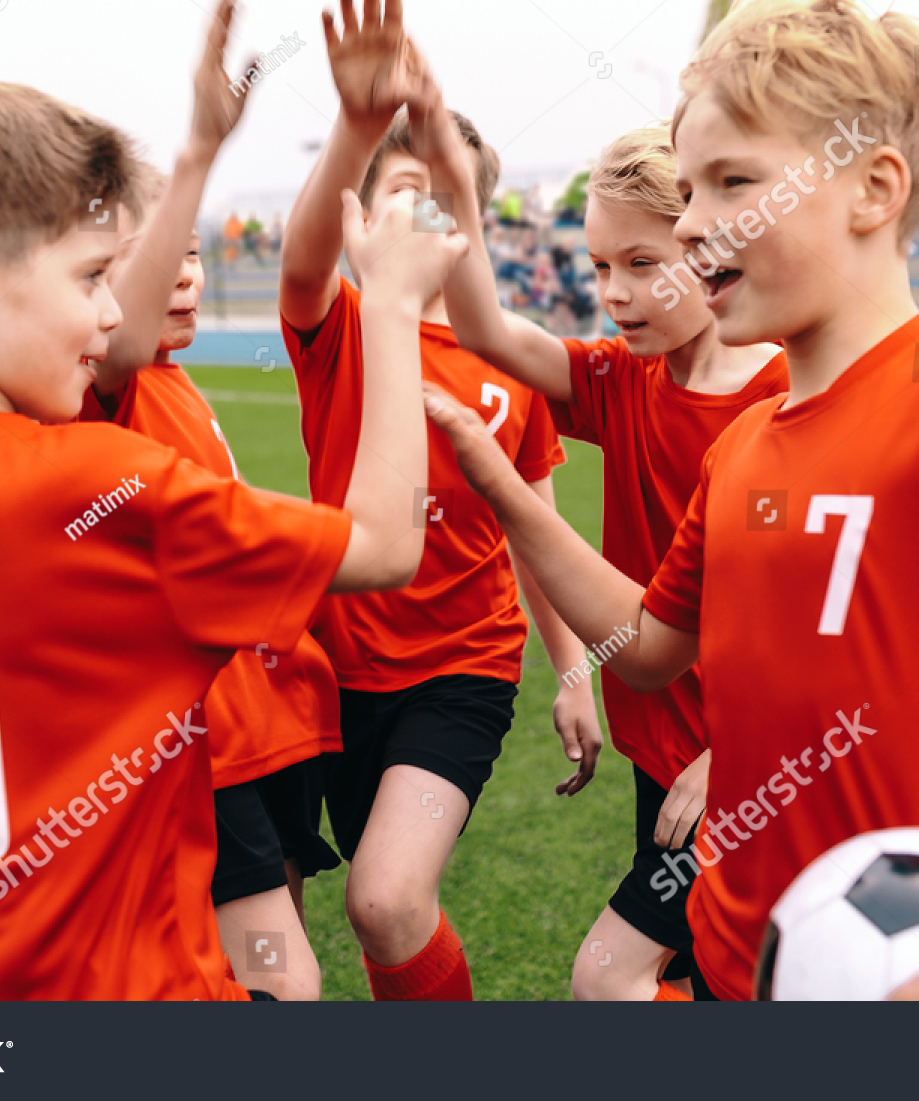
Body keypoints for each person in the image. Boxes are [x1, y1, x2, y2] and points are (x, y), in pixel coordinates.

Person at [424, 0, 919, 1002]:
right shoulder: (742, 449)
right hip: (743, 970)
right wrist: (509, 489)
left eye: (734, 183)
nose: (691, 223)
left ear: (873, 187)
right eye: (688, 191)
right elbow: (645, 649)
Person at [0, 50, 467, 998]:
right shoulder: (104, 485)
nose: (108, 312)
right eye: (93, 276)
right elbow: (384, 544)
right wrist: (396, 307)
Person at [278, 0, 602, 1001]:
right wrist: (359, 123)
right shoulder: (340, 322)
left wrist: (574, 670)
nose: (423, 219)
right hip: (336, 670)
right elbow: (299, 259)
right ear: (362, 215)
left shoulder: (505, 359)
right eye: (399, 193)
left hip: (461, 671)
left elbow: (532, 526)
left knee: (383, 899)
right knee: (372, 916)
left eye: (442, 201)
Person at [423, 113, 785, 1000]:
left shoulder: (784, 398)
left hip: (747, 768)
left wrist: (741, 750)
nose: (614, 293)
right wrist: (460, 189)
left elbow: (817, 615)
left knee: (609, 975)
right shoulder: (624, 379)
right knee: (708, 976)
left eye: (643, 264)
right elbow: (488, 333)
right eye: (598, 267)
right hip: (665, 757)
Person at [72, 3, 339, 1001]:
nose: (179, 278)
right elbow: (129, 335)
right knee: (279, 982)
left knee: (269, 948)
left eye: (187, 255)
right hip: (205, 741)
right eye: (146, 261)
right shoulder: (110, 375)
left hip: (272, 721)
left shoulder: (176, 382)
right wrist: (197, 152)